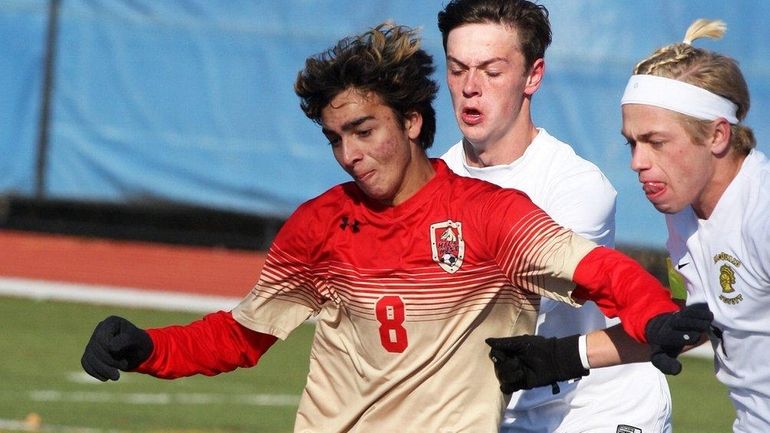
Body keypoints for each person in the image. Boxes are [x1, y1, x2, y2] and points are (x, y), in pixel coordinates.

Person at [79, 23, 711, 433]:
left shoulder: (489, 216)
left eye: (364, 130)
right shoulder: (320, 225)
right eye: (335, 139)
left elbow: (602, 272)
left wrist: (654, 318)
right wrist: (148, 349)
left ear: (411, 122)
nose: (350, 153)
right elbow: (241, 337)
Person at [484, 18, 766, 433]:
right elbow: (695, 325)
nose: (637, 162)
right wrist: (560, 358)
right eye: (631, 142)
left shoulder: (762, 214)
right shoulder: (684, 213)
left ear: (718, 135)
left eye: (656, 141)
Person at [437, 1, 675, 432]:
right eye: (457, 70)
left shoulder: (577, 187)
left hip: (599, 409)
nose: (471, 86)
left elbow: (499, 303)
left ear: (533, 76)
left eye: (491, 72)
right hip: (502, 410)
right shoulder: (434, 180)